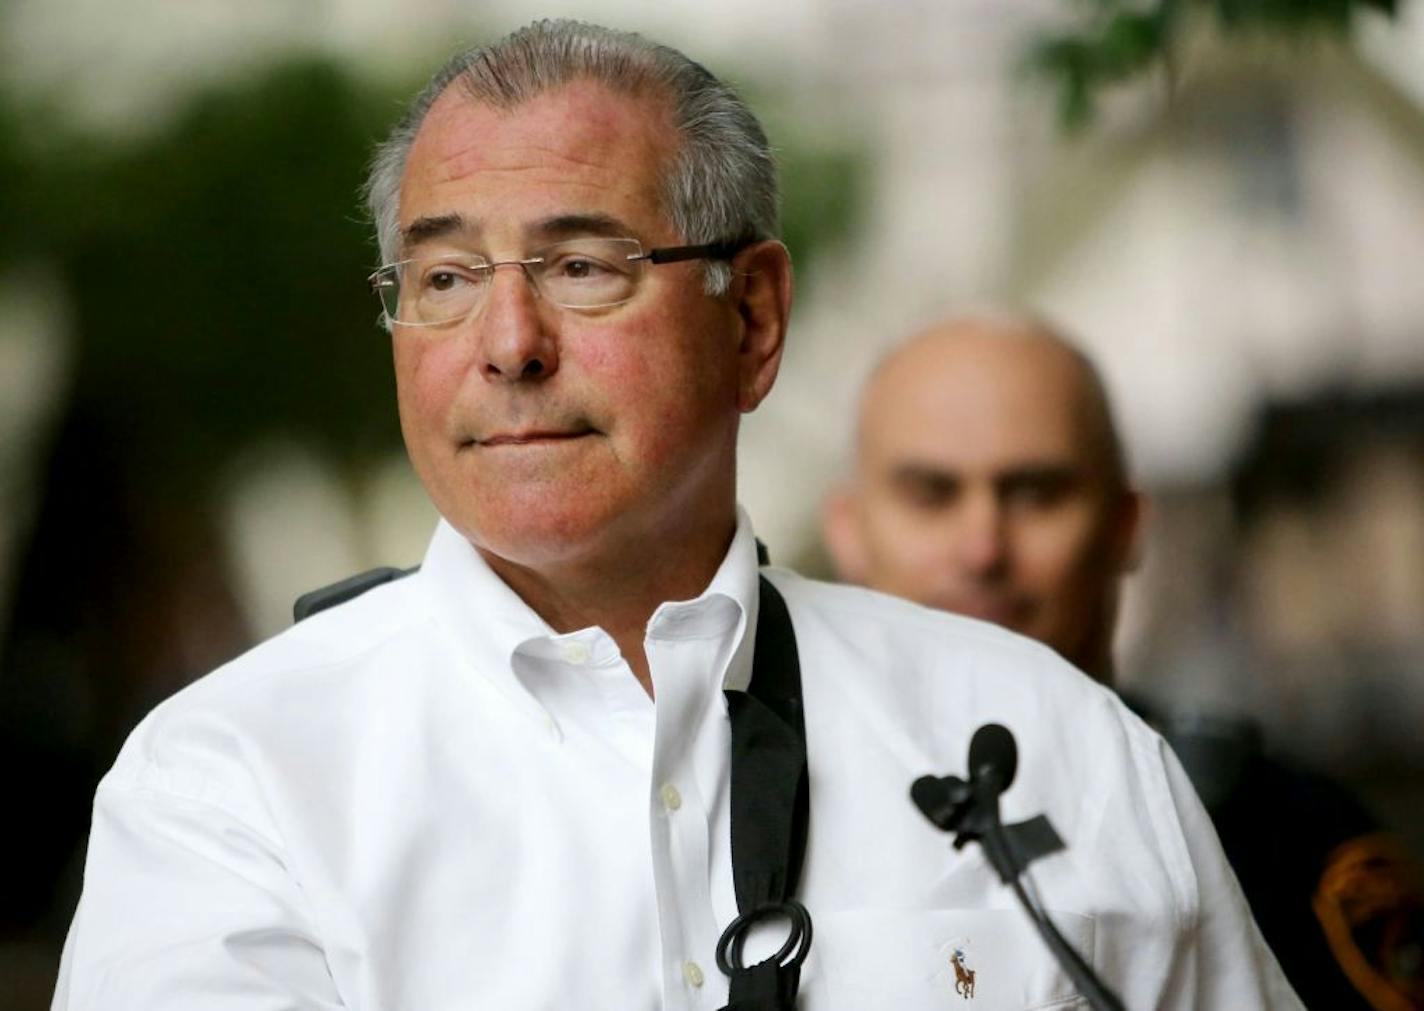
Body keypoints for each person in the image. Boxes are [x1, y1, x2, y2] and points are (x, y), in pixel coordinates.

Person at [52, 22, 1300, 1010]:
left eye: (582, 267)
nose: (506, 344)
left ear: (750, 321)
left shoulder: (1045, 744)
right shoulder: (235, 788)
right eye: (442, 279)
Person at [824, 313, 1422, 1009]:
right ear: (848, 531)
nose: (981, 547)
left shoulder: (1279, 836)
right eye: (931, 494)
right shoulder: (756, 818)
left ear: (1127, 525)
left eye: (1035, 492)